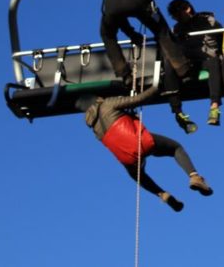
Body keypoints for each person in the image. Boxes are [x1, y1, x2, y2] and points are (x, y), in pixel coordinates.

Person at [79, 85, 212, 212]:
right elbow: (138, 99)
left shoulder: (94, 128)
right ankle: (194, 177)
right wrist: (155, 88)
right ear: (97, 99)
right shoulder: (107, 104)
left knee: (138, 176)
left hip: (126, 157)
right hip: (140, 141)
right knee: (176, 148)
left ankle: (161, 194)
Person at [100, 0, 190, 88]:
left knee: (107, 35)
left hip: (111, 3)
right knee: (161, 31)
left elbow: (120, 14)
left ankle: (124, 74)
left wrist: (132, 35)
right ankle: (183, 69)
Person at [165, 0, 224, 129]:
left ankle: (214, 106)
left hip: (207, 59)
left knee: (214, 63)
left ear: (187, 9)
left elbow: (222, 39)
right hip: (188, 63)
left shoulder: (209, 22)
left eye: (177, 14)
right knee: (169, 64)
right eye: (174, 17)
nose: (177, 19)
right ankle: (178, 111)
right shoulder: (176, 29)